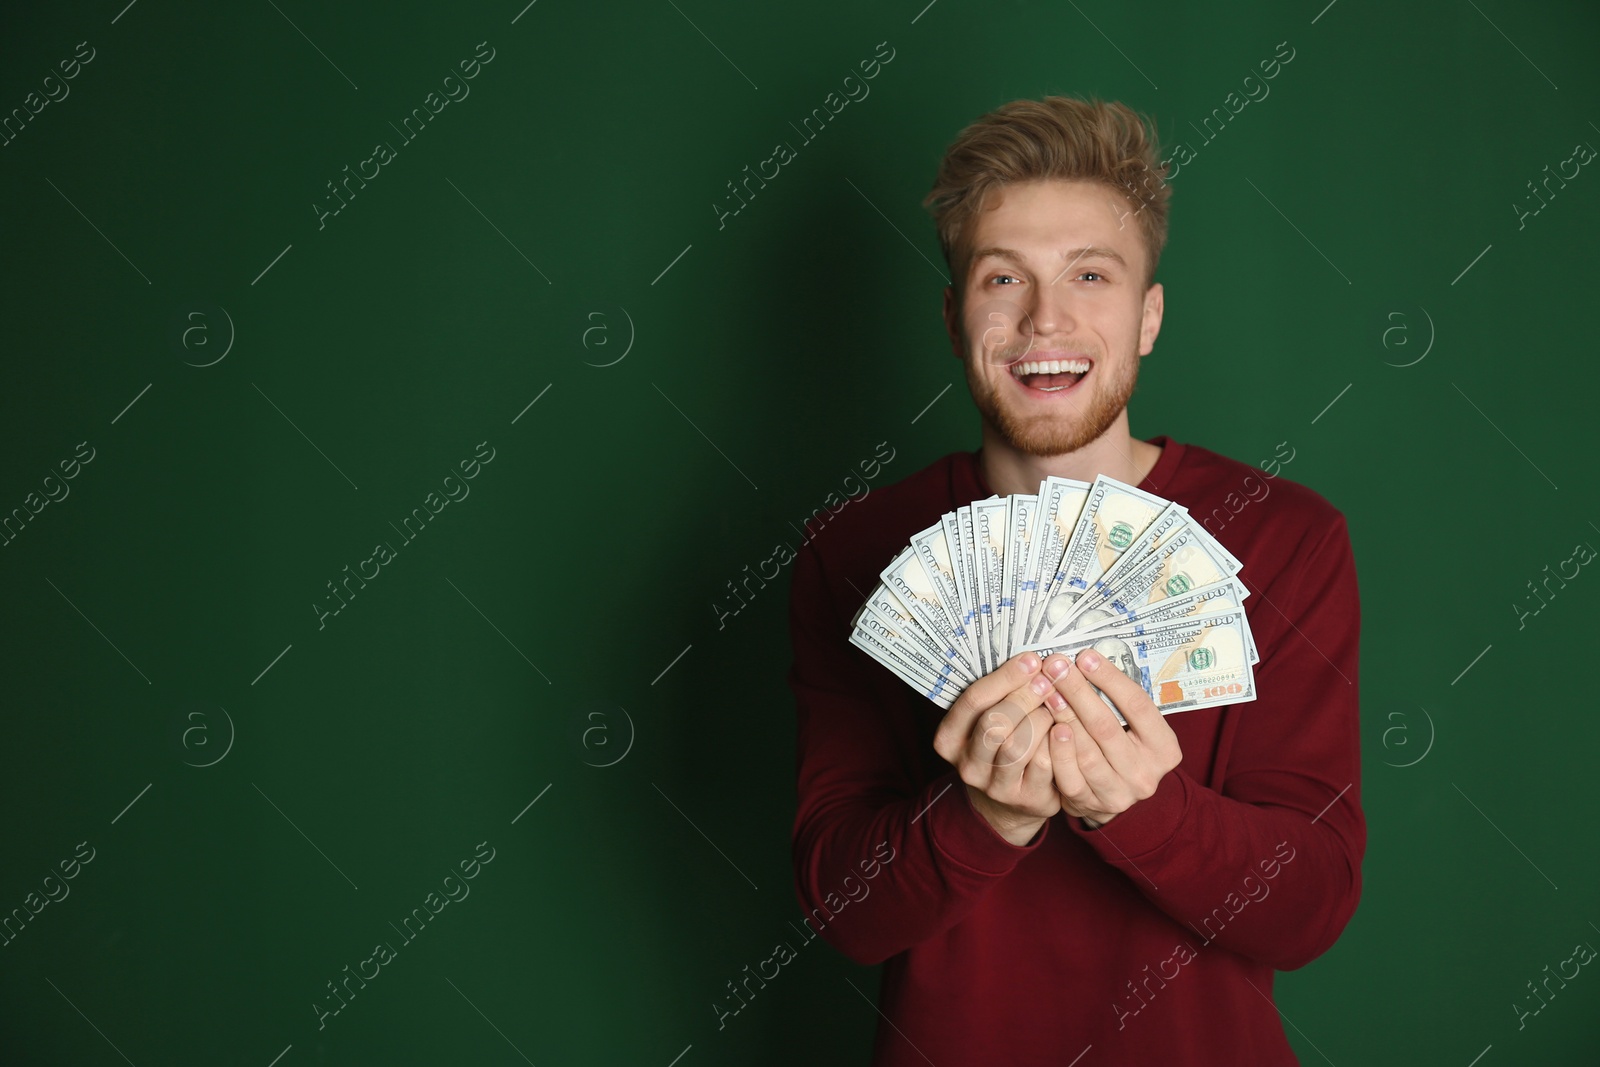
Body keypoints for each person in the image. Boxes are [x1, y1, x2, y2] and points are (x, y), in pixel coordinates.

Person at [786, 95, 1363, 1066]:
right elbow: (842, 909)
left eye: (1089, 275)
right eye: (1002, 277)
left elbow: (1308, 907)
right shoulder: (855, 550)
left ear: (1147, 317)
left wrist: (1144, 810)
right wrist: (984, 818)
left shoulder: (1285, 538)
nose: (1044, 319)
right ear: (952, 314)